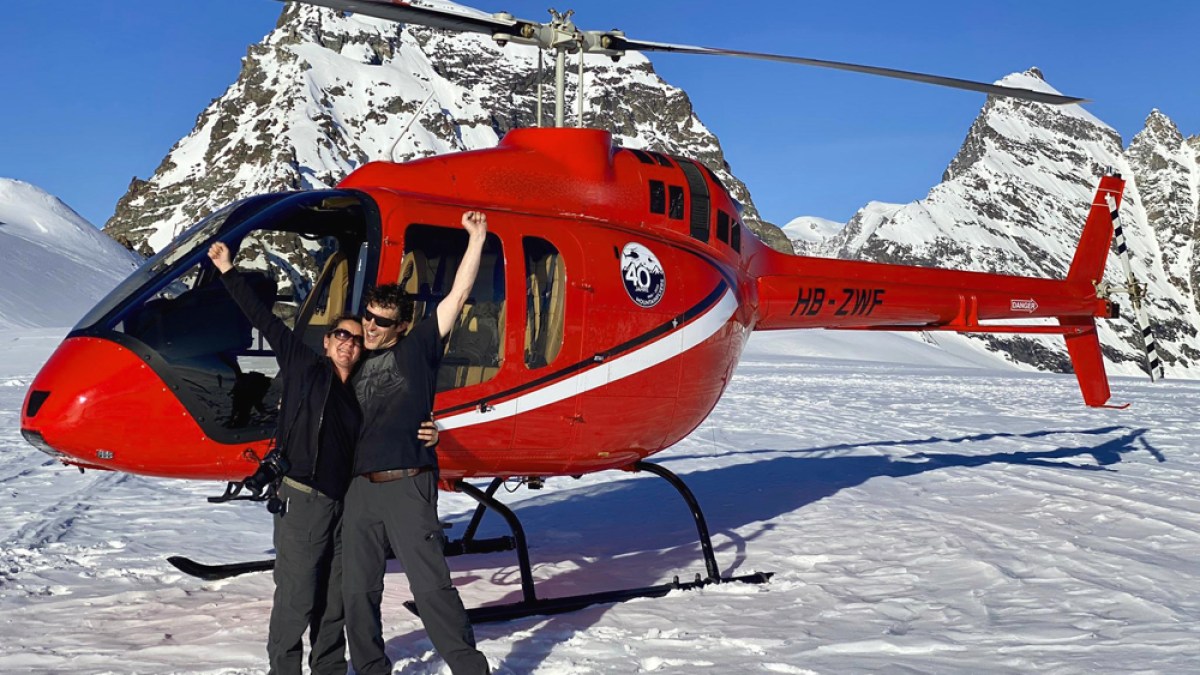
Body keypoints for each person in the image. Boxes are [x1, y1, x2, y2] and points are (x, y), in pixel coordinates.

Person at [207, 241, 436, 675]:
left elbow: (402, 417)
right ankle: (285, 669)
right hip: (303, 498)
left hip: (346, 504)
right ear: (328, 341)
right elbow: (263, 318)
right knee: (296, 595)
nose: (350, 342)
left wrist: (432, 430)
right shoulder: (304, 367)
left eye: (356, 338)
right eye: (341, 335)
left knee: (334, 597)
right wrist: (226, 269)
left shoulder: (367, 387)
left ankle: (328, 666)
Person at [343, 211, 491, 675]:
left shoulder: (418, 348)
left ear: (402, 326)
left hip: (408, 483)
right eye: (368, 317)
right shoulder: (350, 357)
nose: (371, 327)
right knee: (357, 588)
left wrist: (477, 239)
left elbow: (458, 295)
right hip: (358, 488)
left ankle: (469, 668)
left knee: (429, 585)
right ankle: (369, 669)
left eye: (382, 322)